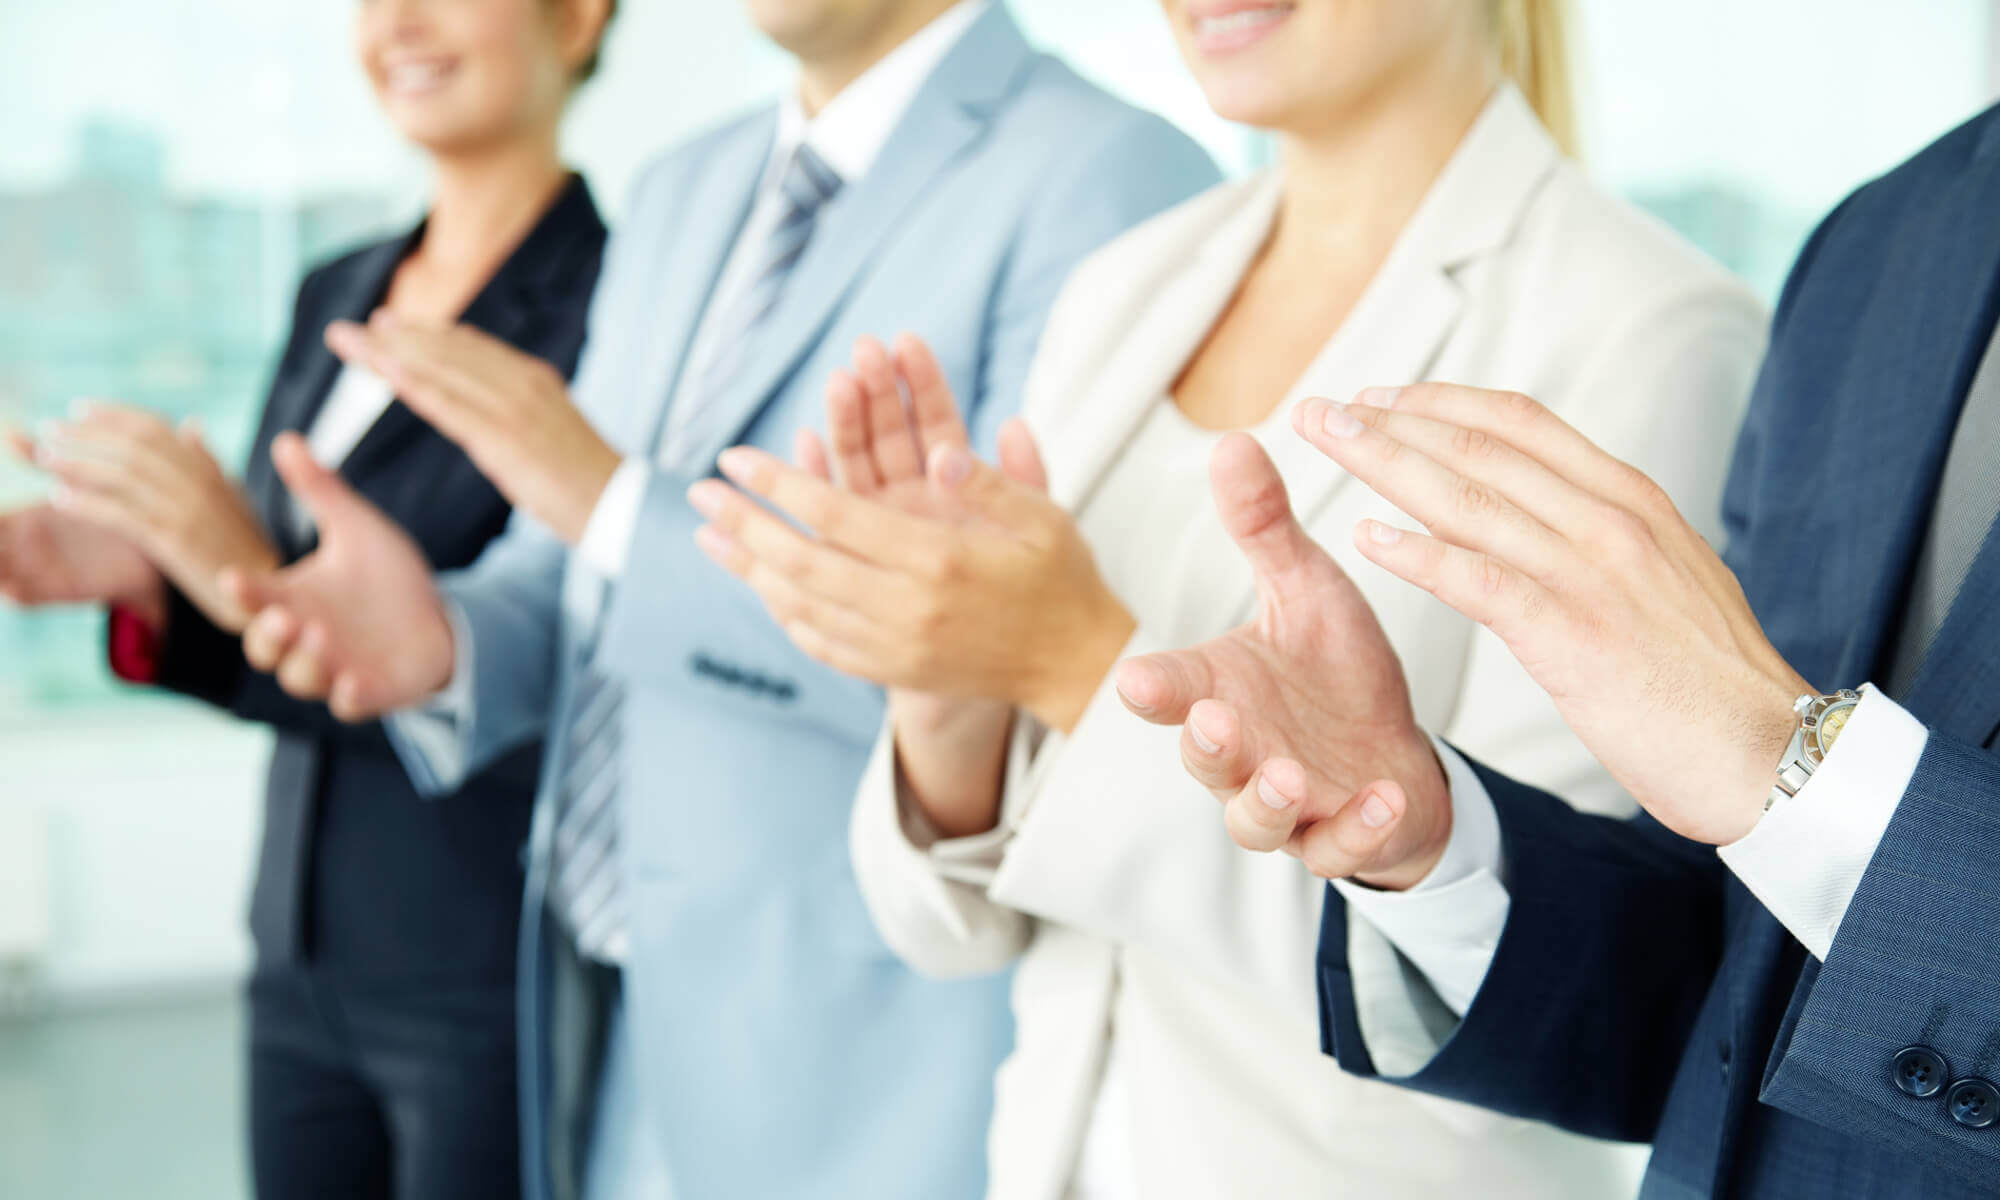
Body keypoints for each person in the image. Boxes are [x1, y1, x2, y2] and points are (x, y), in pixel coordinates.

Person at [686, 0, 1765, 1195]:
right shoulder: (1127, 284)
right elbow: (952, 929)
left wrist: (1067, 661)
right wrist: (953, 700)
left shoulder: (1648, 330)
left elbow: (1555, 988)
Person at [209, 3, 1218, 1197]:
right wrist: (444, 640)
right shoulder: (689, 186)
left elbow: (1013, 679)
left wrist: (612, 500)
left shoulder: (1107, 174)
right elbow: (567, 573)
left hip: (872, 1071)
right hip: (612, 1032)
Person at [1117, 99, 2000, 1198]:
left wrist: (1793, 769)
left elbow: (1789, 785)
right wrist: (1437, 839)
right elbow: (1738, 983)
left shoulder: (1663, 309)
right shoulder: (1883, 238)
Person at [0, 1, 613, 1198]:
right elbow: (273, 599)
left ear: (578, 17)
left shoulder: (618, 305)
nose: (399, 22)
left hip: (479, 956)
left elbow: (552, 656)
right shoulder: (339, 285)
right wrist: (149, 576)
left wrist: (242, 567)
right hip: (298, 947)